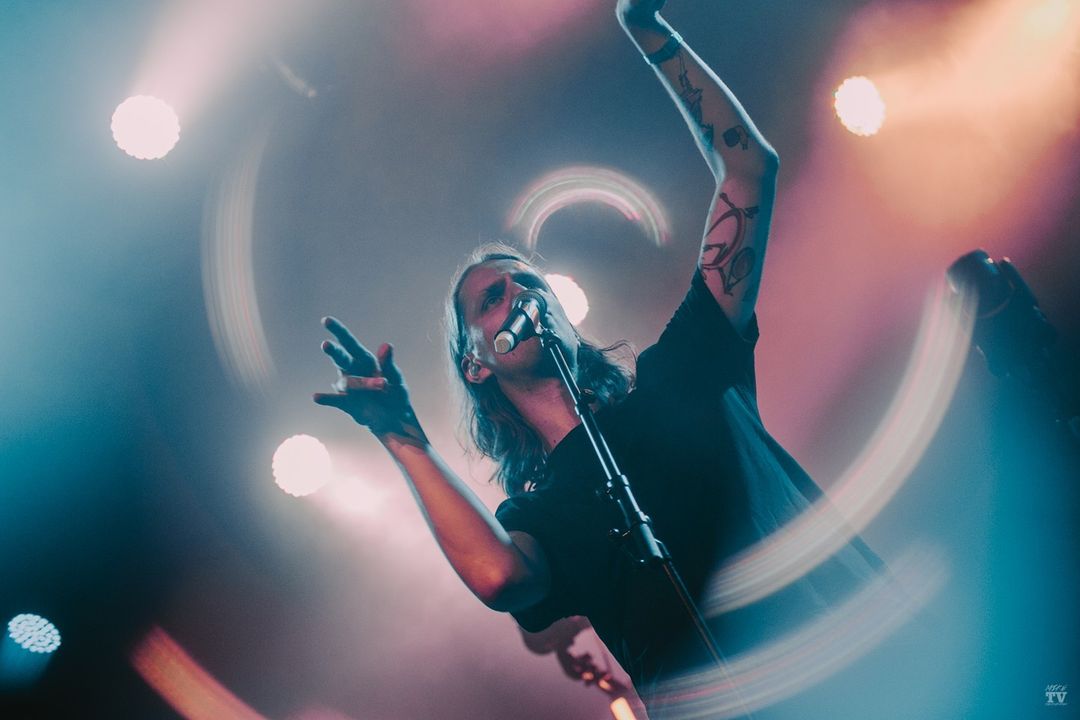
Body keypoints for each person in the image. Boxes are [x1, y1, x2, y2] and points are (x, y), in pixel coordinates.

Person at [314, 1, 881, 717]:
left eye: (529, 281)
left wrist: (650, 31)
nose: (519, 292)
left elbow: (748, 170)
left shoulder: (682, 374)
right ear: (476, 364)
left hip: (862, 681)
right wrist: (402, 437)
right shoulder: (544, 512)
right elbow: (499, 577)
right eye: (491, 298)